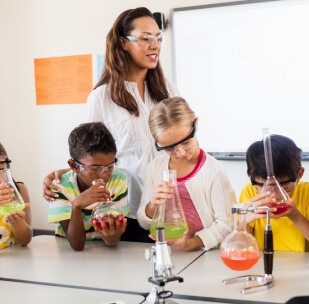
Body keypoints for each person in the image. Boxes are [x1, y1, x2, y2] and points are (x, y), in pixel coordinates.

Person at [43, 7, 179, 242]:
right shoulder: (101, 97)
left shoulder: (167, 90)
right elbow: (89, 152)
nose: (155, 45)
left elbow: (183, 144)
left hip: (169, 206)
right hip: (128, 209)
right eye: (145, 38)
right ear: (124, 43)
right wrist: (64, 172)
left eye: (158, 38)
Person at [137, 97, 237, 251]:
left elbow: (226, 224)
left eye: (185, 142)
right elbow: (144, 223)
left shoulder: (214, 172)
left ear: (195, 124)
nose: (181, 153)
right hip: (168, 253)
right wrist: (152, 205)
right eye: (170, 148)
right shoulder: (155, 169)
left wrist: (191, 244)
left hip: (203, 254)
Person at [239, 134, 309, 253]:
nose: (273, 194)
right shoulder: (250, 192)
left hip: (300, 267)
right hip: (261, 265)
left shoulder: (308, 192)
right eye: (263, 186)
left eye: (283, 186)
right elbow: (242, 248)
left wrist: (295, 215)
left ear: (299, 175)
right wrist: (244, 221)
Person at [47, 122, 129, 251]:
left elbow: (113, 241)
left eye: (110, 166)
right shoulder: (60, 186)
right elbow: (77, 246)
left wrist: (111, 238)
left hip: (105, 251)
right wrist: (76, 206)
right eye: (95, 168)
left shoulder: (118, 180)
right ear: (74, 166)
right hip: (68, 252)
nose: (104, 174)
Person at [0, 143, 32, 249]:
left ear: (7, 166)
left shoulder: (19, 190)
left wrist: (18, 223)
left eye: (0, 169)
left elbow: (25, 240)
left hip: (15, 260)